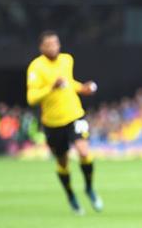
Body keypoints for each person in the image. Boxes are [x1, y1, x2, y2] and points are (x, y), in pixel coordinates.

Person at [26, 31, 102, 215]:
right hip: (53, 123)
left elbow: (68, 83)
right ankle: (70, 195)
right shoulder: (36, 68)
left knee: (84, 152)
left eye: (56, 43)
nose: (54, 47)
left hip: (75, 115)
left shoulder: (66, 59)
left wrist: (82, 88)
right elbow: (32, 98)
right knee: (63, 161)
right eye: (49, 44)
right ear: (41, 47)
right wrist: (50, 87)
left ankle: (89, 188)